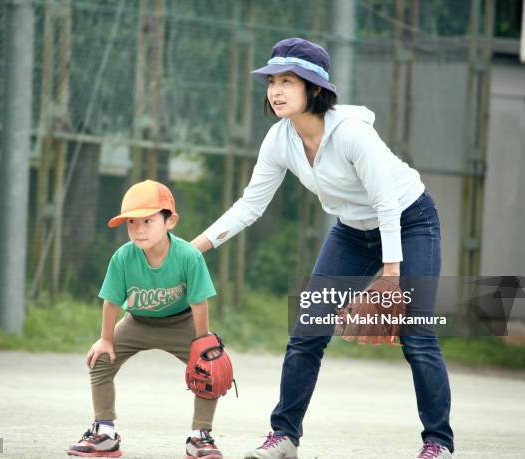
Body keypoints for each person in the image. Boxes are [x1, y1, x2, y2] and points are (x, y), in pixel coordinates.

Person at [191, 37, 454, 458]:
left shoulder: (351, 133)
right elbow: (250, 206)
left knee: (417, 335)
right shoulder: (280, 140)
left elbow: (387, 203)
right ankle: (284, 437)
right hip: (352, 230)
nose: (275, 91)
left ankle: (438, 443)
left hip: (409, 222)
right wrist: (194, 248)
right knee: (307, 332)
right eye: (271, 81)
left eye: (287, 81)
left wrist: (390, 277)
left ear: (314, 88)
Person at [68, 179, 224, 458]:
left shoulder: (188, 255)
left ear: (170, 221)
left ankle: (201, 436)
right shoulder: (123, 257)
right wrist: (105, 339)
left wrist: (203, 343)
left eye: (148, 221)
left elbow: (199, 302)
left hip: (181, 322)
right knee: (100, 359)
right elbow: (112, 301)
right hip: (137, 322)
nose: (138, 230)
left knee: (209, 368)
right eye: (131, 222)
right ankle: (104, 432)